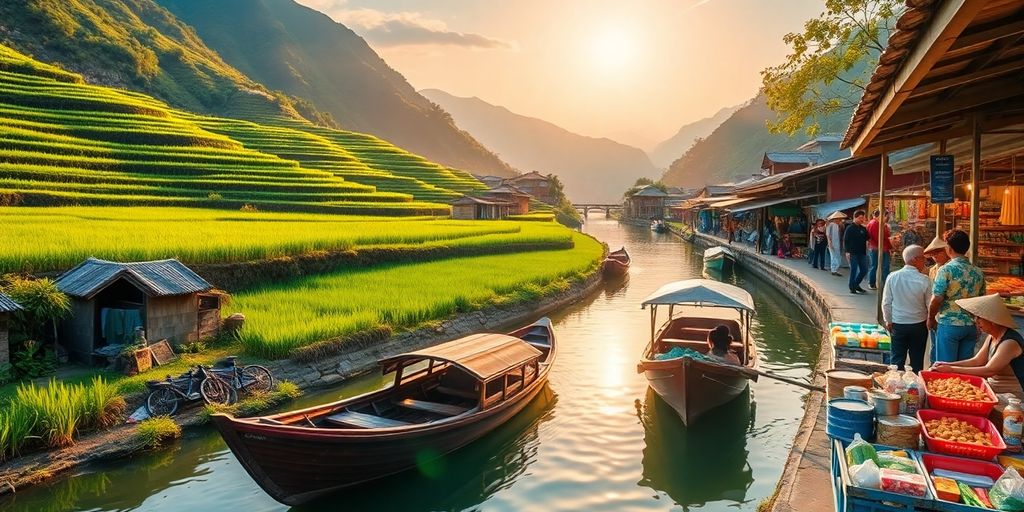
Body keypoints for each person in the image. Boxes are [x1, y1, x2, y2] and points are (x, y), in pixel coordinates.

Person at [931, 294, 1024, 389]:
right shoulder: (992, 336)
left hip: (1013, 395)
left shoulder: (1009, 343)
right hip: (993, 388)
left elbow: (989, 370)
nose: (976, 321)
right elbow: (977, 361)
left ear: (992, 320)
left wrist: (951, 369)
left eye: (979, 318)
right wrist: (946, 364)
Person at [929, 229, 986, 362]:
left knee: (945, 369)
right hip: (970, 326)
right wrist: (979, 323)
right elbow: (982, 301)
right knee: (963, 369)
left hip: (949, 324)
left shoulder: (946, 270)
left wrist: (930, 318)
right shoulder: (978, 272)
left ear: (949, 248)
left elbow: (936, 298)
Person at [882, 245, 931, 372]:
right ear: (915, 259)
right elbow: (929, 304)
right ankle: (914, 388)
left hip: (898, 324)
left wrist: (888, 321)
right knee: (917, 361)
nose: (924, 262)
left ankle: (895, 387)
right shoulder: (924, 280)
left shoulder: (893, 277)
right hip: (919, 325)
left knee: (897, 361)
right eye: (923, 258)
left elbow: (886, 303)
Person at [924, 235, 951, 364]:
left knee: (943, 349)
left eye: (938, 252)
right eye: (933, 253)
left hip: (945, 313)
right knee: (934, 345)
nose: (935, 256)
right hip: (934, 312)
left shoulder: (950, 268)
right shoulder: (932, 270)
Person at [844, 209, 870, 294]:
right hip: (852, 252)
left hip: (862, 252)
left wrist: (867, 226)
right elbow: (845, 240)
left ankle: (856, 284)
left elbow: (868, 237)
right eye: (860, 218)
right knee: (854, 270)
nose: (861, 220)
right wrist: (847, 252)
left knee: (864, 270)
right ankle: (852, 287)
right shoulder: (850, 228)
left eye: (863, 218)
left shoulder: (863, 228)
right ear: (855, 217)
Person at [867, 209, 893, 291]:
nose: (887, 218)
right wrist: (890, 245)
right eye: (886, 216)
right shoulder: (874, 223)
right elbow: (877, 238)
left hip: (881, 247)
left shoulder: (881, 224)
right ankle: (872, 282)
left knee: (883, 266)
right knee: (876, 266)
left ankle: (884, 283)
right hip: (877, 247)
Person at [827, 211, 846, 276]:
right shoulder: (830, 225)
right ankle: (834, 269)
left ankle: (835, 269)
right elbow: (828, 235)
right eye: (839, 219)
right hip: (833, 243)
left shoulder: (838, 225)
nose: (840, 220)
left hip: (837, 243)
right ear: (835, 219)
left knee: (837, 256)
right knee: (834, 256)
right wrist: (830, 243)